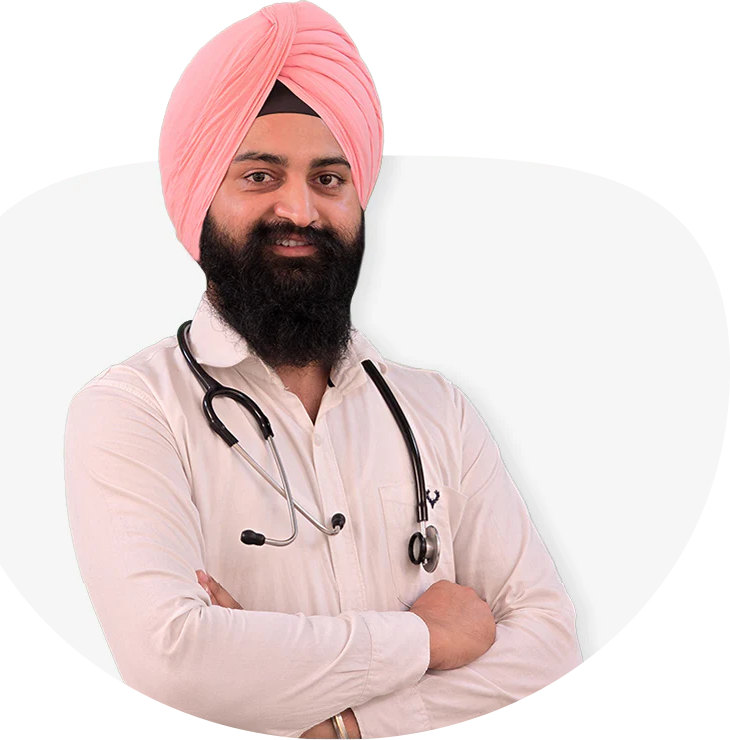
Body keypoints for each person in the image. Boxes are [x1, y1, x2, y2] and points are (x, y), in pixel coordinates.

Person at [63, 2, 583, 738]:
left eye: (329, 179)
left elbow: (551, 650)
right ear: (201, 199)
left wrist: (343, 724)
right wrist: (428, 638)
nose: (299, 210)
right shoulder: (133, 410)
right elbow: (173, 658)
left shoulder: (437, 411)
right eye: (259, 175)